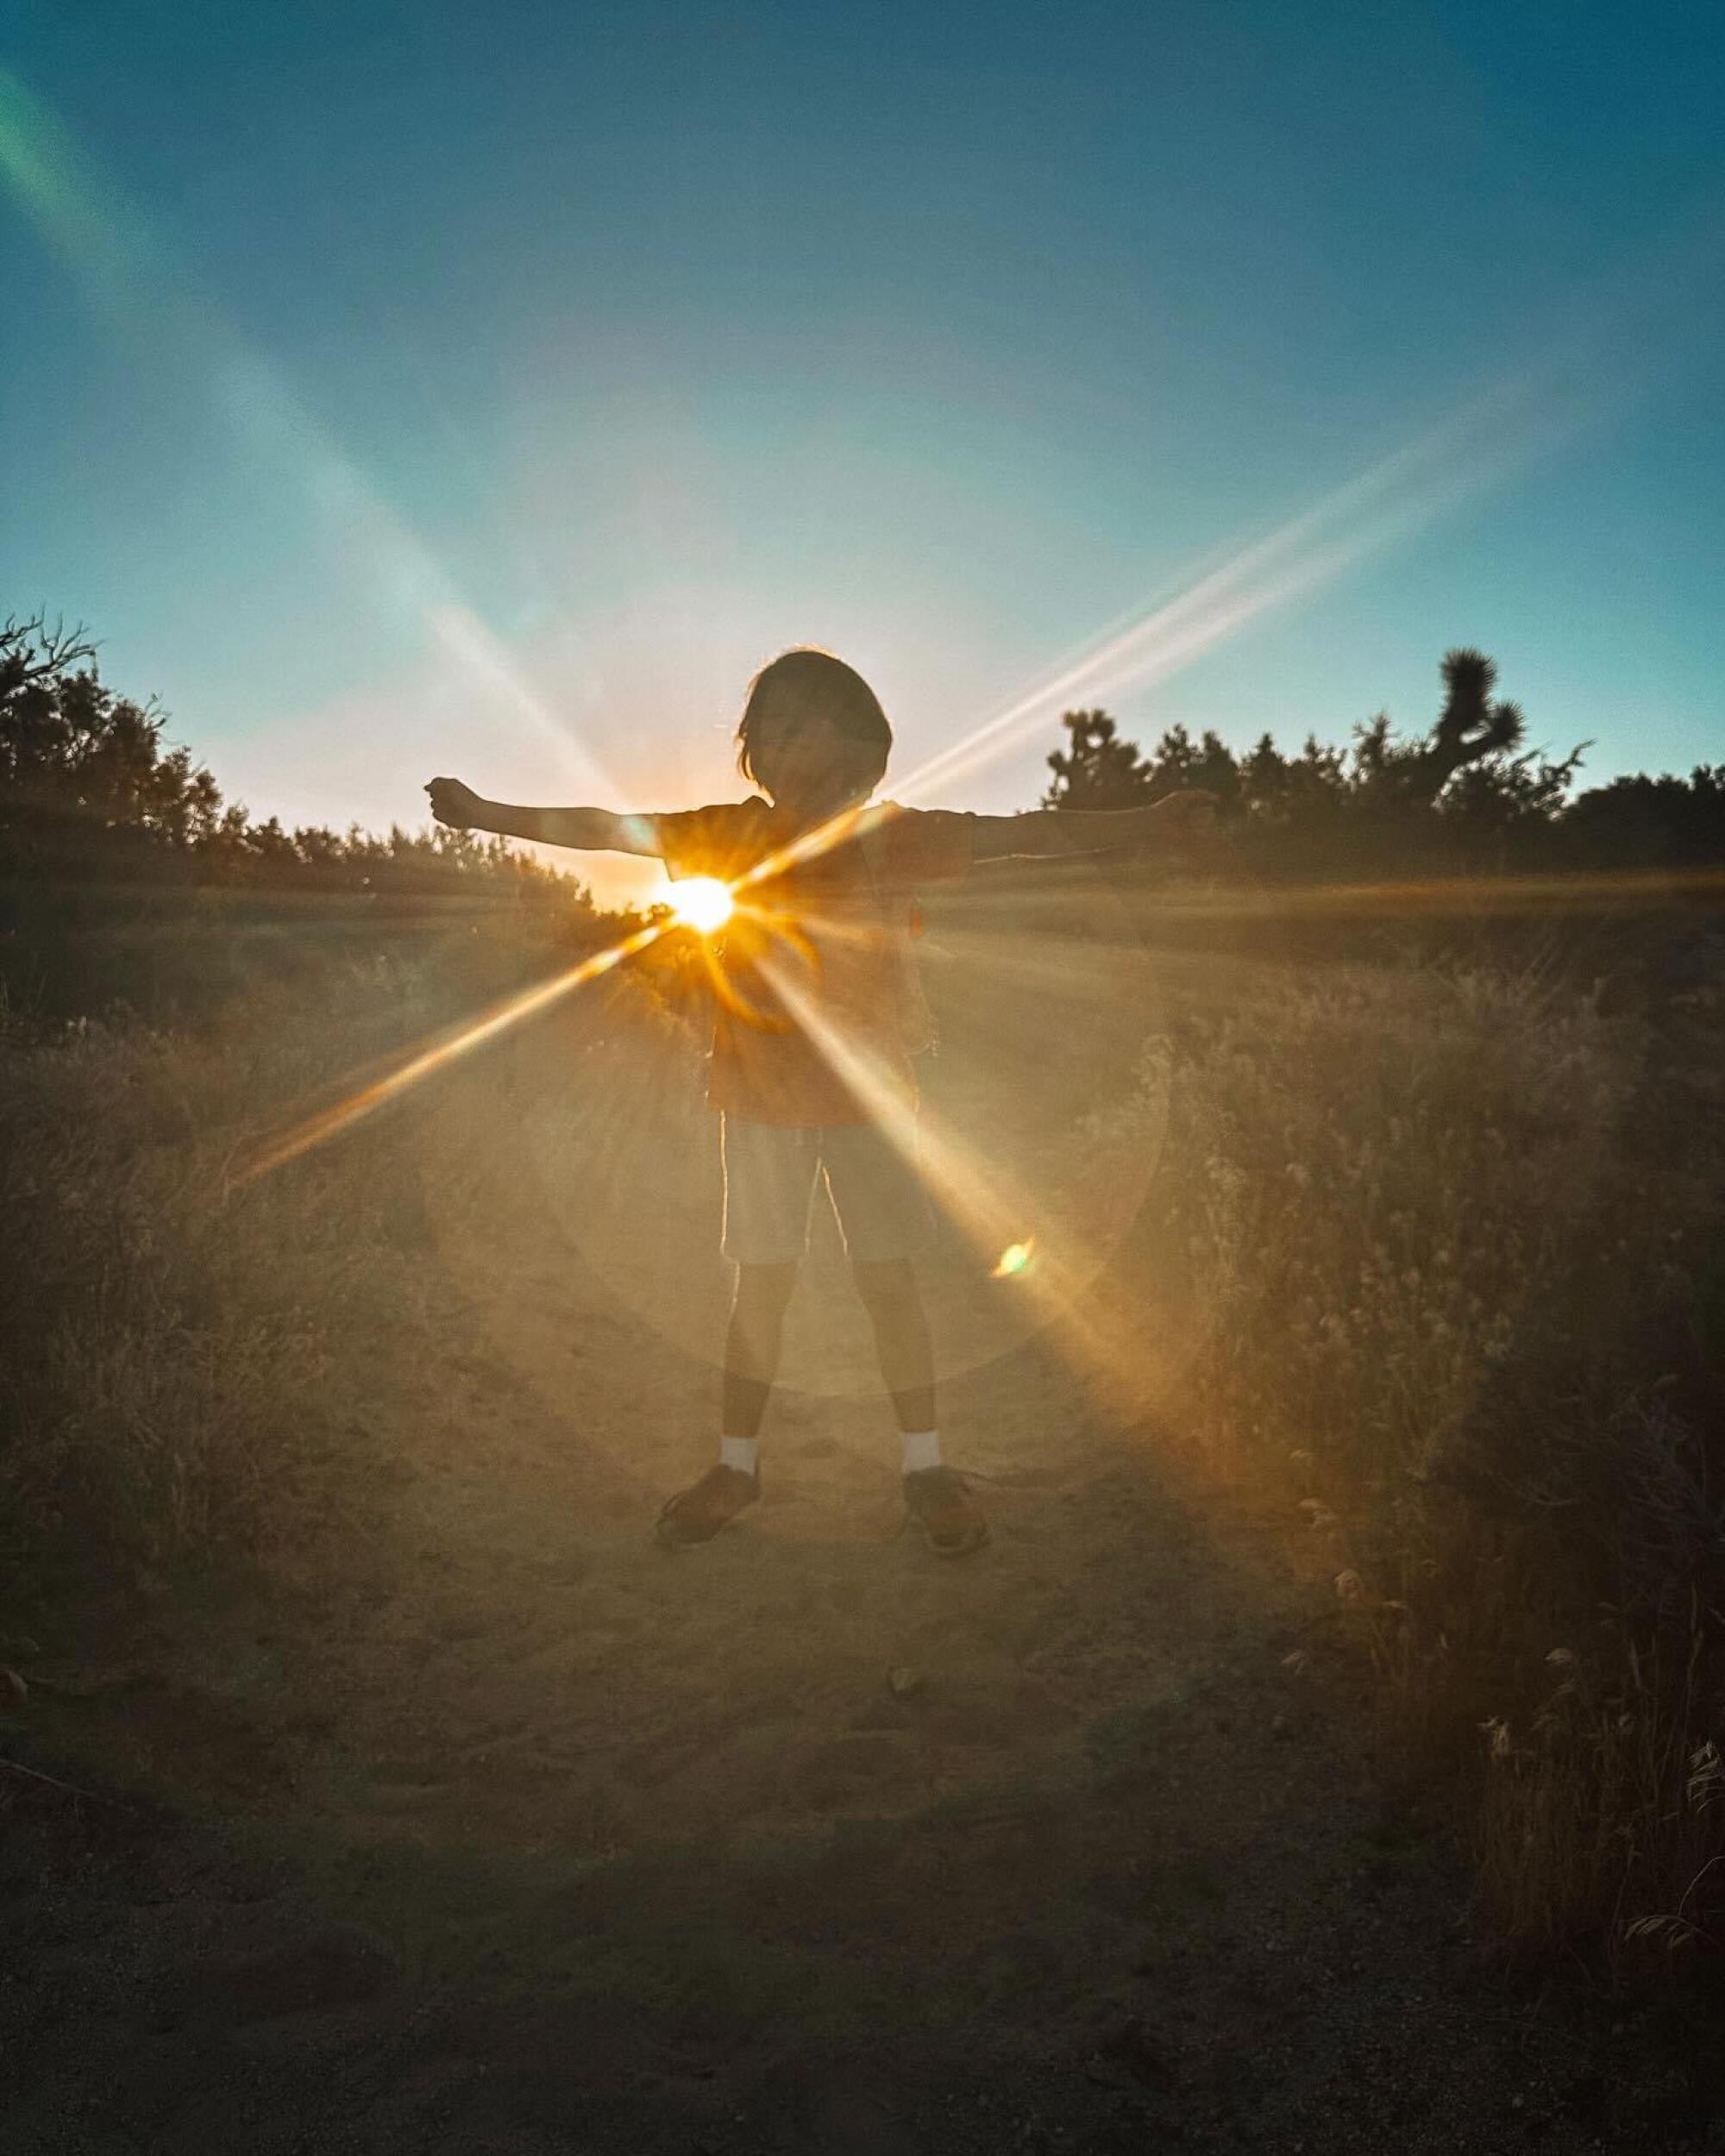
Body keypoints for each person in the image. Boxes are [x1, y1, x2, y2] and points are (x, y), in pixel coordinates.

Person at [427, 648, 1212, 1557]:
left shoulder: (893, 836)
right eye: (771, 727)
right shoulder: (726, 832)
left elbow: (1023, 831)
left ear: (856, 741)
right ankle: (735, 1468)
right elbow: (608, 826)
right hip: (756, 1097)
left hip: (871, 1099)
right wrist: (487, 814)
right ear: (752, 751)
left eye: (807, 722)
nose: (786, 740)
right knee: (759, 1287)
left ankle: (924, 1470)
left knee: (889, 1282)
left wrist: (1147, 820)